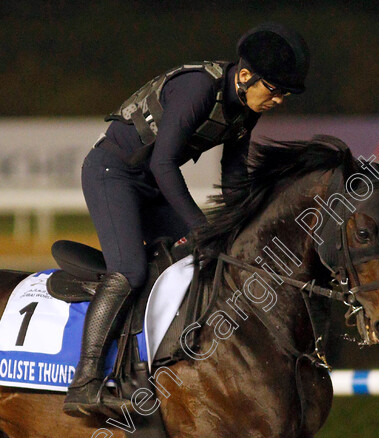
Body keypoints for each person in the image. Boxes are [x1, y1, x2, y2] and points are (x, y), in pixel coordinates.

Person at [63, 22, 310, 417]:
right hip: (114, 174)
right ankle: (85, 383)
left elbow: (234, 178)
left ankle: (162, 369)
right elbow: (163, 162)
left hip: (149, 182)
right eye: (276, 90)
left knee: (203, 265)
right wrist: (202, 228)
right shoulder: (199, 88)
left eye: (285, 94)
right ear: (245, 76)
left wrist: (241, 231)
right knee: (130, 270)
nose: (279, 100)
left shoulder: (246, 107)